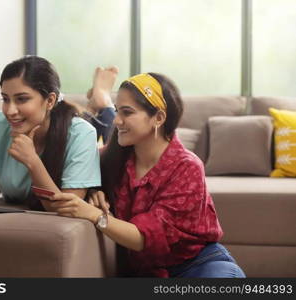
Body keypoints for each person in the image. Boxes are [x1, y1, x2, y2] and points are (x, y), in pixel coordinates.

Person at [49, 72, 246, 278]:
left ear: (158, 118)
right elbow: (78, 169)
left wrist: (95, 215)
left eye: (127, 112)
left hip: (198, 267)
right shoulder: (114, 158)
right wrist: (93, 191)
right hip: (143, 272)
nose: (117, 120)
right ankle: (101, 96)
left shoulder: (187, 167)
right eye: (116, 111)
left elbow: (147, 237)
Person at [0, 55, 101, 210]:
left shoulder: (81, 134)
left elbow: (68, 209)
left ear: (50, 101)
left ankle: (101, 97)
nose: (10, 111)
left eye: (21, 99)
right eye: (5, 99)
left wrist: (32, 161)